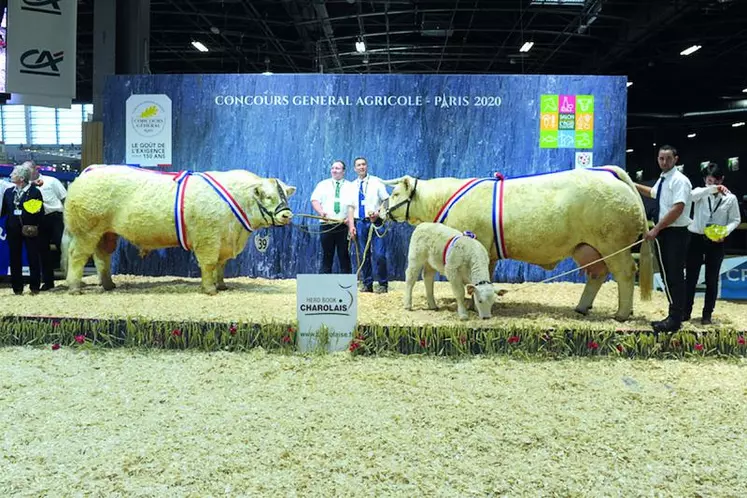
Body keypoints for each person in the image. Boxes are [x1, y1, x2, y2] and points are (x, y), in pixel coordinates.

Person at [634, 145, 692, 332]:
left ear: (676, 159)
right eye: (661, 158)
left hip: (674, 232)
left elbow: (678, 208)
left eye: (668, 158)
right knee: (669, 276)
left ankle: (675, 319)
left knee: (674, 276)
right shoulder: (663, 179)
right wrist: (631, 184)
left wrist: (656, 229)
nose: (664, 162)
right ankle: (675, 314)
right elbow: (653, 193)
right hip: (667, 232)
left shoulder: (679, 180)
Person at [684, 163, 741, 325]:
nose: (712, 184)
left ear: (721, 179)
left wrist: (725, 232)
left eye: (715, 182)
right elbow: (690, 196)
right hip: (696, 237)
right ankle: (686, 311)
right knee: (691, 278)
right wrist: (710, 189)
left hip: (716, 241)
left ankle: (707, 314)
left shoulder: (730, 198)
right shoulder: (701, 193)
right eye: (709, 181)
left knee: (711, 278)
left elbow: (735, 219)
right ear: (705, 180)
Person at [0, 164, 44, 295]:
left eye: (13, 174)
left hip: (29, 228)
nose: (10, 176)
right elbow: (4, 211)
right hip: (13, 229)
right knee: (14, 257)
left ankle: (35, 286)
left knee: (33, 257)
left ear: (21, 178)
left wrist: (33, 223)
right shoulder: (9, 192)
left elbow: (37, 212)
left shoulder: (34, 192)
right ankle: (17, 287)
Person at [25, 160, 67, 290]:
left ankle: (72, 279)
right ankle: (48, 282)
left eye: (28, 170)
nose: (27, 173)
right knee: (42, 250)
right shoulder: (26, 187)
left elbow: (65, 198)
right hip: (39, 219)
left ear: (36, 169)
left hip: (55, 217)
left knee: (63, 247)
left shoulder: (51, 181)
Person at [310, 160, 356, 274]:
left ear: (343, 171)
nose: (334, 170)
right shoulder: (322, 185)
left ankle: (346, 288)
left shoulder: (351, 186)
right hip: (326, 225)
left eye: (337, 168)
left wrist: (350, 221)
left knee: (344, 255)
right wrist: (321, 212)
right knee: (327, 255)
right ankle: (325, 287)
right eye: (333, 168)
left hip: (343, 226)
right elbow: (314, 200)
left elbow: (354, 206)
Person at [352, 157, 390, 293]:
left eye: (363, 164)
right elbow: (351, 207)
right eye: (358, 165)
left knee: (380, 254)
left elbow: (386, 199)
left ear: (367, 166)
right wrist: (351, 225)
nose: (361, 167)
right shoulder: (352, 185)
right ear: (354, 169)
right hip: (361, 222)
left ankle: (383, 284)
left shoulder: (376, 182)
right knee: (364, 254)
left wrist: (378, 211)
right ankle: (367, 284)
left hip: (377, 222)